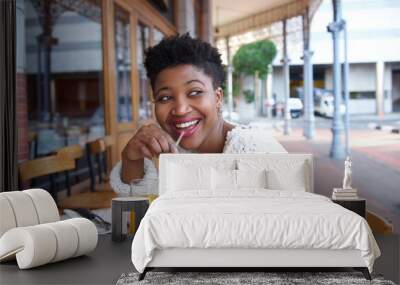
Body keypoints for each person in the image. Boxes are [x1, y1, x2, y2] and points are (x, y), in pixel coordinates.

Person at [110, 34, 286, 195]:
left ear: (217, 98)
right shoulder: (167, 151)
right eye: (165, 97)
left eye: (195, 92)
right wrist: (131, 158)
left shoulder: (258, 151)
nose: (180, 109)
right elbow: (139, 212)